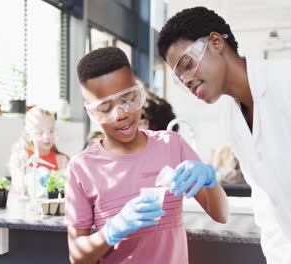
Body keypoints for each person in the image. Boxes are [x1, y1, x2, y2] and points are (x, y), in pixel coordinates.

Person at [157, 6, 291, 264]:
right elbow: (269, 208)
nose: (187, 80)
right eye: (179, 78)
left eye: (187, 64)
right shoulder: (233, 117)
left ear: (215, 42)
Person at [65, 47, 228, 263]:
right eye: (105, 108)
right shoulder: (82, 168)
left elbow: (221, 215)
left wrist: (210, 180)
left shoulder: (172, 145)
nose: (121, 113)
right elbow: (77, 258)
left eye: (128, 99)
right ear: (91, 113)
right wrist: (112, 230)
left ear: (138, 92)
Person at [9, 106, 69, 195]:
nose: (47, 136)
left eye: (51, 131)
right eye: (40, 132)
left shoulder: (63, 161)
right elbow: (17, 192)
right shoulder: (21, 159)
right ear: (28, 134)